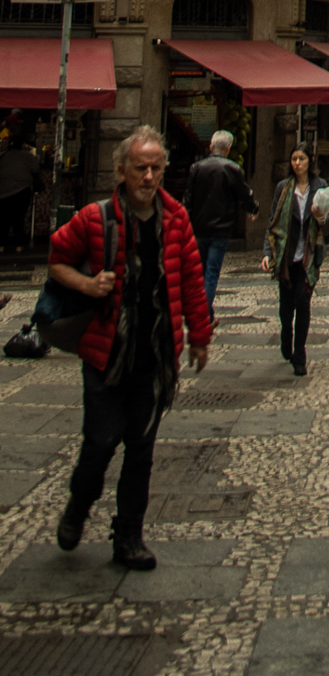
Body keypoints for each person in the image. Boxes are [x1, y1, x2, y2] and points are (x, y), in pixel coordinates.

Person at [49, 124, 211, 570]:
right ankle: (78, 506)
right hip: (106, 352)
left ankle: (129, 536)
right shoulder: (94, 218)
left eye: (156, 167)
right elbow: (56, 259)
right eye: (141, 168)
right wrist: (87, 284)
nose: (149, 177)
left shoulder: (176, 219)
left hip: (155, 355)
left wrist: (199, 337)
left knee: (141, 449)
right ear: (121, 171)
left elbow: (192, 281)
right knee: (100, 441)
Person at [261, 144, 329, 375]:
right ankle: (286, 335)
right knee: (286, 308)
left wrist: (321, 217)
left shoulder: (320, 187)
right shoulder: (283, 188)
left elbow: (327, 219)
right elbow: (273, 222)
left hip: (308, 257)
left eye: (301, 159)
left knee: (303, 303)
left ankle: (300, 354)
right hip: (286, 257)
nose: (297, 163)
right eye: (294, 159)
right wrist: (267, 253)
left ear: (310, 161)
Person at [183, 130, 258, 316]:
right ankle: (204, 314)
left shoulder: (196, 168)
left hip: (199, 228)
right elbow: (244, 194)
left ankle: (202, 311)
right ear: (228, 149)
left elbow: (188, 199)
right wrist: (253, 208)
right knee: (212, 273)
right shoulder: (232, 169)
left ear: (211, 146)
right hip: (221, 230)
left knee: (200, 272)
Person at [0, 136, 43, 252]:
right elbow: (36, 169)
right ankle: (19, 244)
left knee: (4, 218)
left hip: (3, 191)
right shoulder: (27, 156)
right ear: (21, 145)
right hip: (22, 190)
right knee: (18, 217)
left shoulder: (3, 156)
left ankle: (1, 244)